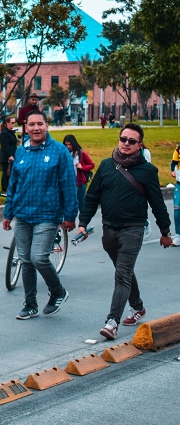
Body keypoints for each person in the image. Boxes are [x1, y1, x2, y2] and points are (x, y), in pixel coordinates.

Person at [77, 123, 172, 339]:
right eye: (123, 139)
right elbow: (92, 198)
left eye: (131, 141)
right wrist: (83, 223)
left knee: (122, 274)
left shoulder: (147, 171)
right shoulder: (106, 166)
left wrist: (165, 231)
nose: (126, 144)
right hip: (109, 229)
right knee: (124, 272)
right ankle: (137, 306)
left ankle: (112, 322)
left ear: (139, 145)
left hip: (133, 229)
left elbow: (157, 203)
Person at [3, 109, 77, 320]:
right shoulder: (21, 152)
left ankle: (58, 292)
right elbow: (13, 185)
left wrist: (70, 215)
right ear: (25, 128)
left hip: (48, 215)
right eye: (31, 124)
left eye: (40, 124)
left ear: (47, 126)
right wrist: (8, 213)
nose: (36, 128)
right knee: (25, 260)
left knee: (38, 258)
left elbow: (69, 185)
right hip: (22, 214)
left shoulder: (60, 151)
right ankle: (30, 304)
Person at [63, 134, 95, 215]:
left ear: (74, 143)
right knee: (68, 205)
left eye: (70, 144)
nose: (68, 147)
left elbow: (91, 164)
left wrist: (82, 167)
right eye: (66, 145)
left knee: (81, 204)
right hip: (67, 184)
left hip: (80, 183)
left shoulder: (81, 153)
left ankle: (83, 225)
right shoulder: (64, 154)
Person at [0, 115, 17, 197]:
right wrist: (9, 155)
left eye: (14, 123)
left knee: (10, 174)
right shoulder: (4, 133)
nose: (13, 125)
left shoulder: (10, 132)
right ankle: (4, 190)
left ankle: (9, 189)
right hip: (7, 157)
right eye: (12, 123)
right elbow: (5, 146)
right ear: (7, 123)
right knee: (6, 173)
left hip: (12, 156)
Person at [169, 144, 180, 246]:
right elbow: (174, 162)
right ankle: (178, 235)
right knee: (177, 208)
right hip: (179, 183)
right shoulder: (179, 147)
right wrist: (173, 171)